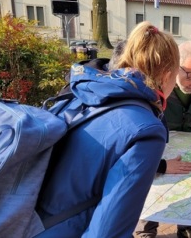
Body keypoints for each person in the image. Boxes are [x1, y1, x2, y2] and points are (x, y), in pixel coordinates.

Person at [35, 21, 180, 237]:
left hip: (25, 220)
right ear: (167, 76)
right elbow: (109, 230)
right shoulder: (148, 130)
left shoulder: (80, 92)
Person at [134, 40, 191, 238]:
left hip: (189, 131)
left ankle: (187, 223)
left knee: (190, 173)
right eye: (190, 77)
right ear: (174, 67)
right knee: (153, 176)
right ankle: (146, 229)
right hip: (158, 131)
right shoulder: (156, 73)